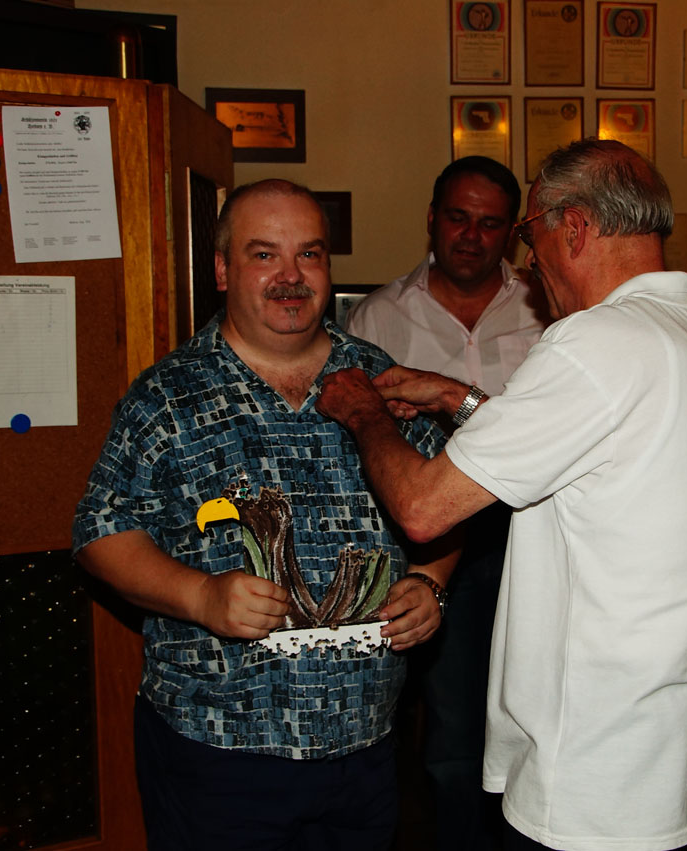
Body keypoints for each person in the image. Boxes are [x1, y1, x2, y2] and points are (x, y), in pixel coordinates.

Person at [317, 140, 687, 851]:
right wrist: (457, 397)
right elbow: (585, 449)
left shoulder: (594, 342)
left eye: (529, 232)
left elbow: (424, 508)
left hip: (597, 761)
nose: (529, 261)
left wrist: (364, 412)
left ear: (575, 228)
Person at [72, 179, 457, 850]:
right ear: (223, 269)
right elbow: (101, 532)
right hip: (219, 754)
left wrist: (431, 580)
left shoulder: (380, 382)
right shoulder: (167, 397)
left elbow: (450, 497)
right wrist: (200, 595)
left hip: (366, 744)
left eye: (309, 254)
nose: (291, 276)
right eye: (263, 254)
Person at [345, 155, 547, 850]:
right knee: (454, 727)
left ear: (511, 234)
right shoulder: (379, 315)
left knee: (536, 714)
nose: (471, 235)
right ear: (432, 219)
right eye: (458, 217)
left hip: (534, 541)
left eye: (490, 224)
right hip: (429, 542)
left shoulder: (546, 312)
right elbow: (355, 438)